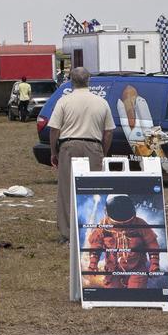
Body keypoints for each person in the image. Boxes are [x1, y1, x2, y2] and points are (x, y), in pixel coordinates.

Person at [49, 67, 115, 243]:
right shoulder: (101, 102)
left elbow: (54, 129)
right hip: (93, 145)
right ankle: (93, 230)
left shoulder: (64, 101)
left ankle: (67, 233)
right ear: (89, 80)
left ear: (71, 81)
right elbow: (108, 132)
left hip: (69, 145)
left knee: (66, 190)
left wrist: (54, 151)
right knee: (94, 189)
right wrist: (102, 151)